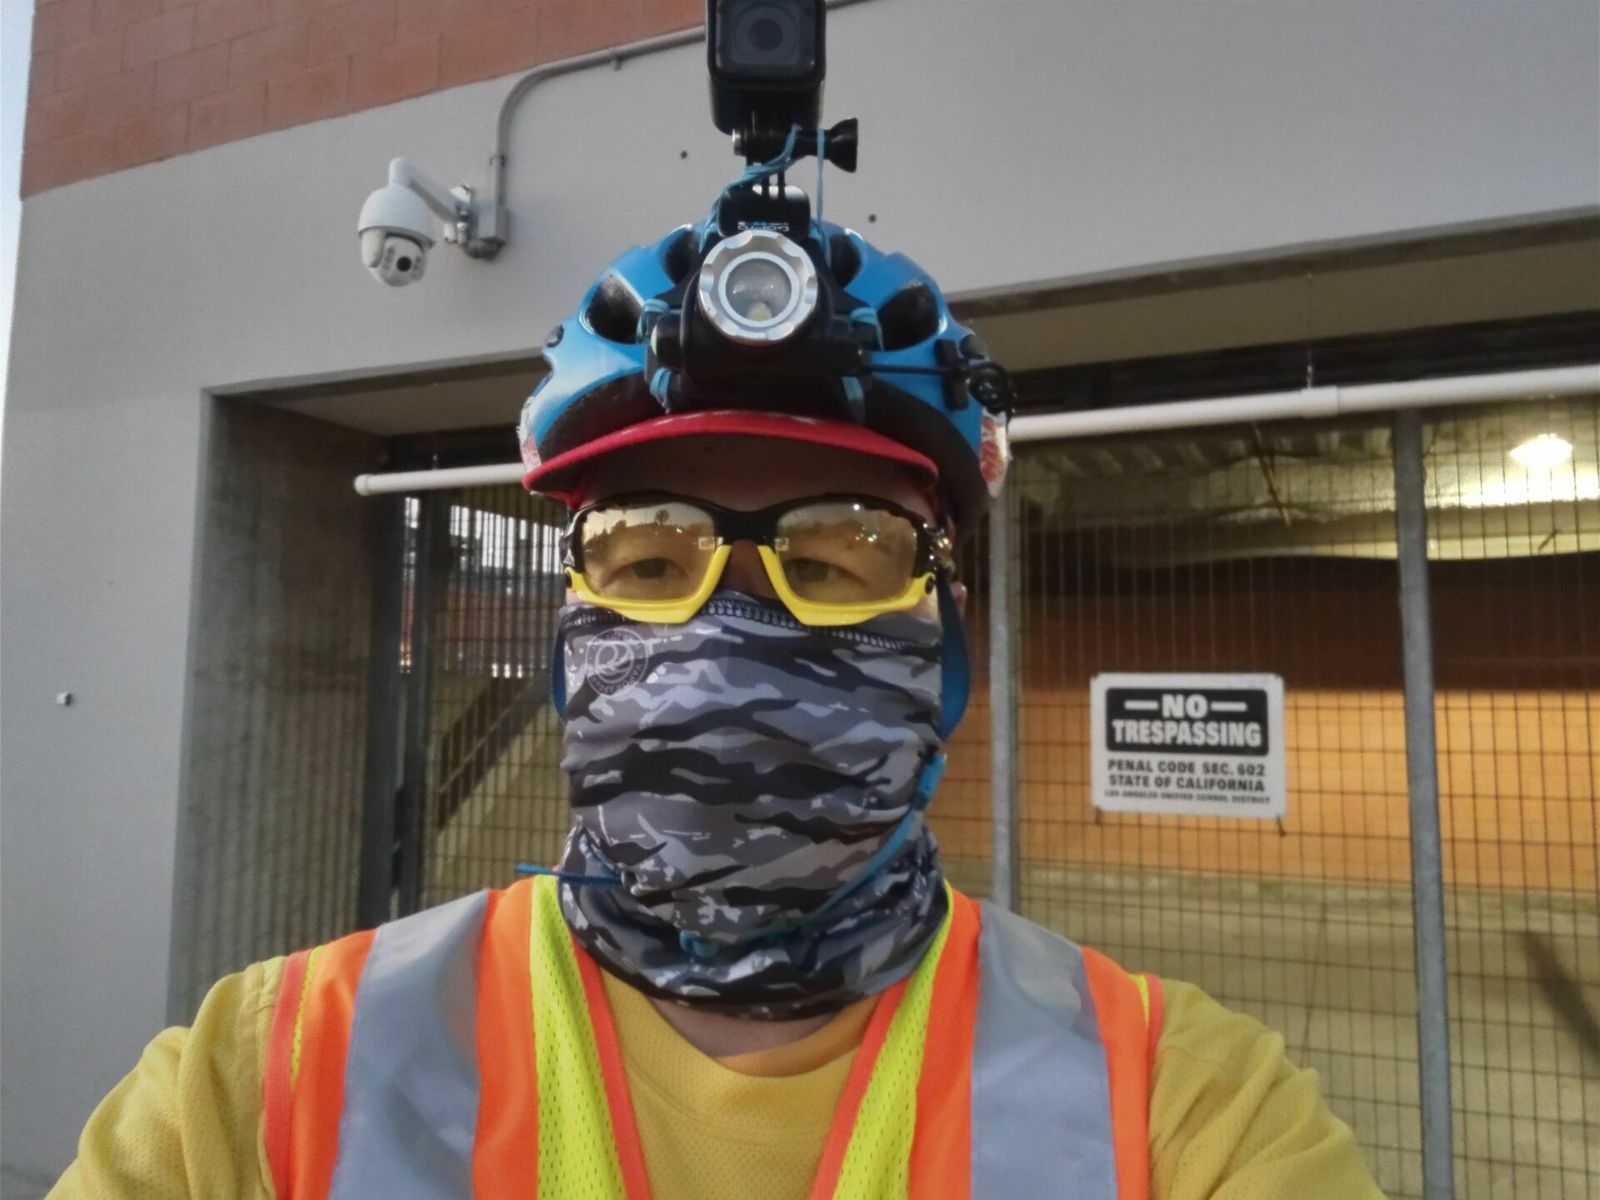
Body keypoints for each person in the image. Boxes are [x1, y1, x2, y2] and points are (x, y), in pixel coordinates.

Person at [50, 214, 1386, 1200]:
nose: (725, 627)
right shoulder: (264, 1082)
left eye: (840, 555)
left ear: (949, 645)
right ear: (570, 640)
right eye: (648, 557)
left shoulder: (1179, 1109)